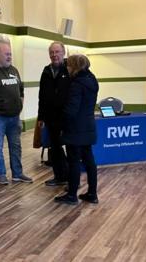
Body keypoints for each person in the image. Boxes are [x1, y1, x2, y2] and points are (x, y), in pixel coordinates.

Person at [0, 43, 33, 185]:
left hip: (14, 117)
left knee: (16, 146)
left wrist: (21, 104)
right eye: (7, 54)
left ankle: (17, 173)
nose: (10, 56)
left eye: (10, 54)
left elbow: (21, 90)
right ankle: (1, 175)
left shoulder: (14, 70)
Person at [54, 54, 99, 205]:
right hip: (88, 126)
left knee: (73, 161)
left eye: (69, 65)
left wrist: (61, 123)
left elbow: (71, 110)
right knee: (89, 160)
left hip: (75, 129)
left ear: (75, 67)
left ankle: (72, 195)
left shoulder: (77, 84)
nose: (67, 67)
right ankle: (92, 194)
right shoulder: (92, 80)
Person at [38, 41, 71, 186]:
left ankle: (71, 178)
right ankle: (60, 177)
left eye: (57, 52)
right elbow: (42, 96)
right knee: (55, 149)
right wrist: (41, 116)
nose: (54, 55)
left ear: (63, 53)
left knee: (70, 148)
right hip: (51, 118)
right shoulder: (46, 71)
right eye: (52, 52)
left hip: (67, 117)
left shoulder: (70, 69)